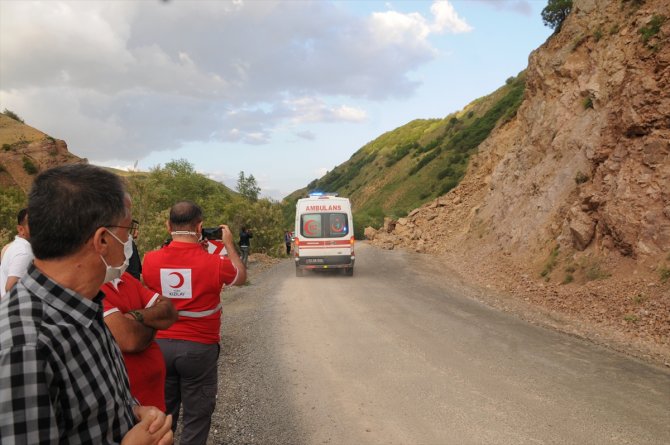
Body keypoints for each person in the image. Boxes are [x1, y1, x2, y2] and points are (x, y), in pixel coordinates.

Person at [0, 164, 173, 444]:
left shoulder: (85, 307)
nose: (129, 240)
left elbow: (89, 412)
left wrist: (133, 413)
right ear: (103, 239)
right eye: (129, 229)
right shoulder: (26, 346)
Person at [142, 201, 246, 445]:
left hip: (160, 346)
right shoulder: (216, 263)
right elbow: (240, 277)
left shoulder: (150, 260)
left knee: (163, 415)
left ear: (168, 226)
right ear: (200, 227)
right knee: (197, 417)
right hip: (200, 349)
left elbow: (149, 292)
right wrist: (228, 244)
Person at [102, 270, 178, 410]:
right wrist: (154, 323)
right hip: (126, 404)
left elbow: (169, 311)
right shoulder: (88, 287)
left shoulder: (124, 276)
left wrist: (133, 316)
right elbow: (130, 339)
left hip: (153, 397)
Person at [0, 208, 34, 298]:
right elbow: (10, 288)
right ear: (21, 229)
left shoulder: (13, 246)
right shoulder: (24, 252)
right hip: (15, 310)